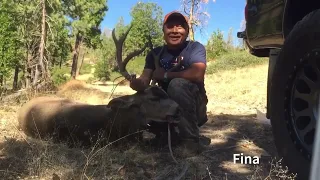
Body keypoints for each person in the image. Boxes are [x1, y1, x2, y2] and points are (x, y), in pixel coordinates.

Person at [130, 11, 209, 154]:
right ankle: (165, 135)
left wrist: (166, 75)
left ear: (186, 31)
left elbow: (197, 74)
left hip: (194, 108)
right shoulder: (155, 53)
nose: (174, 31)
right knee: (138, 98)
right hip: (165, 107)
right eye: (170, 26)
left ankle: (191, 143)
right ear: (164, 30)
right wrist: (137, 83)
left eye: (179, 27)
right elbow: (145, 78)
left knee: (177, 84)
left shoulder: (195, 48)